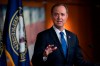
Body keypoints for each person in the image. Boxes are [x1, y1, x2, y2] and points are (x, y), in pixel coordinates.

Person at [31, 3, 98, 66]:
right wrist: (45, 55)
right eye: (56, 14)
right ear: (52, 16)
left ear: (66, 16)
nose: (59, 17)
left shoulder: (73, 37)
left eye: (62, 14)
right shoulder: (43, 36)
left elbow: (79, 62)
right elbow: (35, 62)